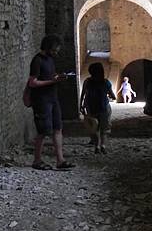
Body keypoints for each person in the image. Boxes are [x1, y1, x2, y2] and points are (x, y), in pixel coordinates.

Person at [29, 35, 75, 170]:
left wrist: (58, 77)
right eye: (55, 50)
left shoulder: (50, 60)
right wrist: (52, 81)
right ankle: (37, 161)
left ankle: (60, 160)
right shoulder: (37, 61)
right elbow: (32, 82)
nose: (56, 52)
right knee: (43, 131)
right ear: (48, 47)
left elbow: (51, 76)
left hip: (53, 98)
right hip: (41, 100)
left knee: (57, 128)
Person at [79, 62, 115, 154]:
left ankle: (97, 146)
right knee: (104, 128)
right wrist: (111, 96)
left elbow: (83, 94)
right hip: (104, 107)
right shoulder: (105, 82)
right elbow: (112, 95)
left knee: (95, 128)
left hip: (91, 108)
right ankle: (103, 145)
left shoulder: (87, 81)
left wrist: (81, 106)